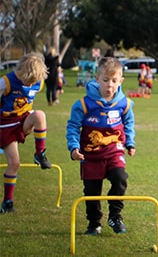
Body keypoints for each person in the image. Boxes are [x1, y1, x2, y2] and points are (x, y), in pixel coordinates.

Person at [66, 57, 136, 235]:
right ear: (97, 79)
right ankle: (94, 223)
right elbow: (73, 127)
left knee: (120, 179)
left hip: (114, 151)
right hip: (90, 154)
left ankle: (115, 215)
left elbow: (129, 123)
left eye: (114, 81)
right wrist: (74, 148)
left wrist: (130, 142)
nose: (109, 85)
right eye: (105, 80)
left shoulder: (124, 103)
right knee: (92, 191)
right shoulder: (83, 104)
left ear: (121, 81)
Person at [0, 53, 52, 213]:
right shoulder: (6, 82)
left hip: (23, 121)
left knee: (40, 115)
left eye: (33, 82)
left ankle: (40, 154)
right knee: (14, 163)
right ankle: (7, 202)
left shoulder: (39, 83)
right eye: (28, 81)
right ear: (21, 72)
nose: (30, 84)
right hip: (5, 126)